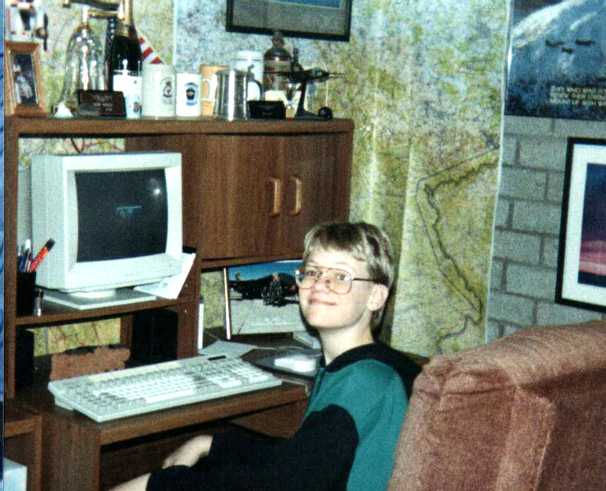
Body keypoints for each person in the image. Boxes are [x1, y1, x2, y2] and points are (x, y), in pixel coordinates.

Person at [112, 222, 421, 491]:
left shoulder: (364, 384)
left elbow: (283, 483)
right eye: (312, 272)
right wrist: (211, 443)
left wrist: (160, 484)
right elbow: (301, 456)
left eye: (341, 276)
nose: (319, 284)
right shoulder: (368, 367)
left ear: (376, 296)